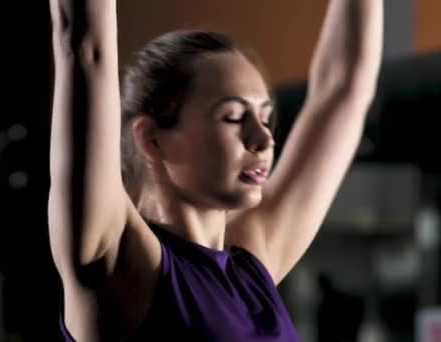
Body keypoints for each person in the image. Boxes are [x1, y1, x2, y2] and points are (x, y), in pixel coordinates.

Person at [47, 0, 383, 340]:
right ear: (152, 139)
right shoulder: (118, 260)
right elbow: (85, 48)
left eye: (266, 118)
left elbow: (343, 88)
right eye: (233, 117)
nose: (263, 138)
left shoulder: (252, 264)